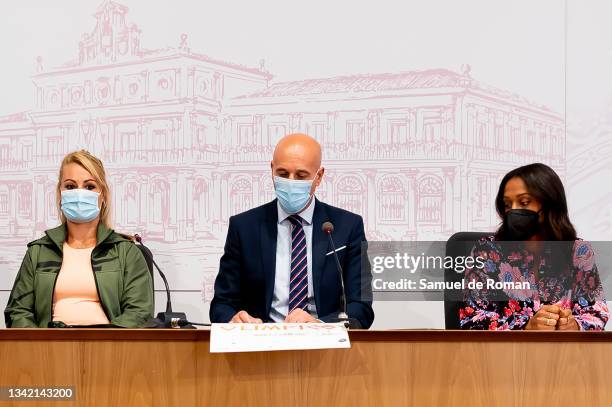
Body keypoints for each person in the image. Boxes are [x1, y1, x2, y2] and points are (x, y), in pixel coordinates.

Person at [210, 133, 374, 328]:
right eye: (282, 173)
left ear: (319, 176)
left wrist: (320, 324)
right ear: (272, 169)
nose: (290, 181)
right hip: (260, 346)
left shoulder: (347, 226)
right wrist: (234, 318)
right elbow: (221, 304)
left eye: (301, 175)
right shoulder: (244, 227)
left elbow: (361, 307)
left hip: (324, 347)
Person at [5, 150, 154, 328]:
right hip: (48, 350)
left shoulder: (127, 251)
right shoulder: (38, 251)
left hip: (110, 350)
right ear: (60, 195)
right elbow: (18, 311)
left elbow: (139, 313)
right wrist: (41, 346)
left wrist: (104, 341)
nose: (79, 193)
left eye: (90, 187)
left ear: (103, 195)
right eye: (70, 186)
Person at [459, 163, 608, 330]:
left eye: (523, 202)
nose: (513, 211)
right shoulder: (486, 251)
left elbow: (596, 313)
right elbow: (472, 318)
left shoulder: (578, 250)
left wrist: (575, 326)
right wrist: (526, 327)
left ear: (549, 204)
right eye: (508, 205)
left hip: (564, 354)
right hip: (507, 354)